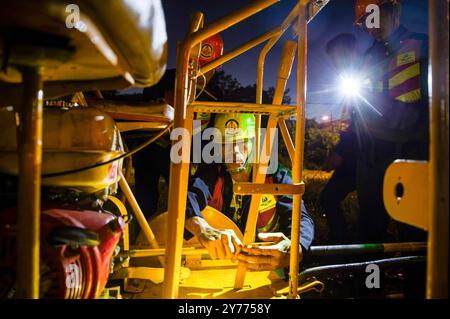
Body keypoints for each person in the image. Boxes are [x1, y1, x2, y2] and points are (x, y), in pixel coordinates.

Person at [183, 113, 315, 271]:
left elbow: (300, 217)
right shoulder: (213, 173)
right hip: (222, 267)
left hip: (268, 269)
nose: (234, 151)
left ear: (255, 143)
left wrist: (296, 246)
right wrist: (201, 228)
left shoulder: (276, 177)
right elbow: (187, 195)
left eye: (242, 141)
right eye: (225, 143)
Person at [354, 0, 429, 243]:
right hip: (373, 161)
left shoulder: (425, 45)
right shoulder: (366, 58)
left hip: (413, 158)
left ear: (395, 11)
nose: (371, 26)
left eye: (374, 16)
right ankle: (369, 281)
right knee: (369, 234)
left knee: (415, 234)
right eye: (365, 21)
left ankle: (417, 281)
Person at [320, 33, 360, 244]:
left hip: (370, 158)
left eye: (339, 58)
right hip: (354, 158)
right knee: (328, 198)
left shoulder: (368, 76)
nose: (336, 65)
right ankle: (340, 242)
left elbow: (364, 125)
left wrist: (340, 152)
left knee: (373, 211)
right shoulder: (353, 82)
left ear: (353, 52)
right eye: (333, 61)